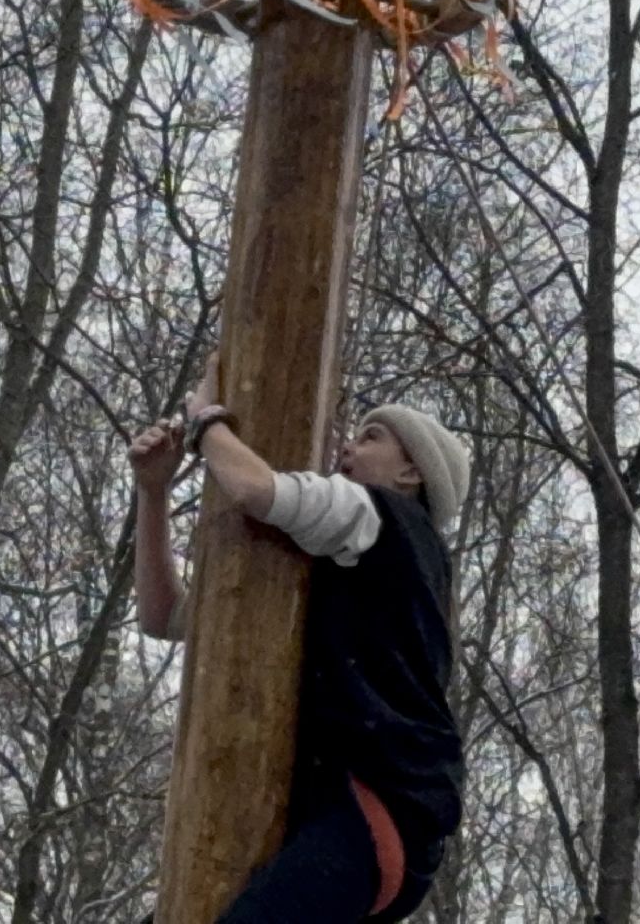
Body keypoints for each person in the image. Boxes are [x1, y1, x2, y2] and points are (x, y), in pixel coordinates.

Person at [129, 354, 469, 922]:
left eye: (371, 437)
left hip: (379, 809)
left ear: (412, 473)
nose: (347, 449)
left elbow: (253, 488)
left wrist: (207, 420)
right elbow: (164, 617)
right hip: (338, 818)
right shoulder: (337, 570)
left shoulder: (382, 518)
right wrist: (153, 493)